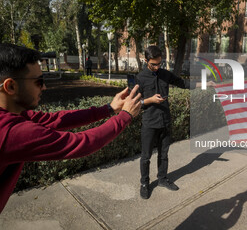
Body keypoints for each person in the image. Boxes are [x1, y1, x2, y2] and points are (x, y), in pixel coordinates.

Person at [0, 43, 141, 213]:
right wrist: (125, 116)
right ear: (10, 87)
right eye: (39, 81)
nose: (44, 87)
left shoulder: (15, 115)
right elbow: (81, 143)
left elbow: (57, 120)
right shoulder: (9, 132)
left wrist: (109, 108)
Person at [135, 45, 186, 199]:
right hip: (149, 123)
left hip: (165, 121)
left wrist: (205, 84)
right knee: (146, 156)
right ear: (146, 61)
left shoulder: (164, 74)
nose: (157, 67)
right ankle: (144, 183)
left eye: (159, 64)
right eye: (153, 64)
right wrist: (150, 100)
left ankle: (162, 179)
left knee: (164, 154)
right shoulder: (140, 78)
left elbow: (182, 83)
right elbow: (135, 103)